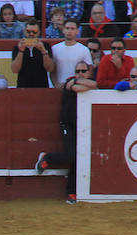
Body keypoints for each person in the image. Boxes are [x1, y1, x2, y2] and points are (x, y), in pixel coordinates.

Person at [35, 60, 97, 204]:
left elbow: (94, 85)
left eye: (83, 71)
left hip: (85, 126)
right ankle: (47, 158)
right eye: (77, 71)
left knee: (79, 158)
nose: (80, 74)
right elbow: (78, 89)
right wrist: (79, 82)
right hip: (68, 125)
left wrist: (83, 83)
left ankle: (72, 193)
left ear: (89, 72)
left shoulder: (83, 82)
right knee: (72, 156)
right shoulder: (69, 82)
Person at [12, 19, 54, 88]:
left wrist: (43, 51)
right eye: (28, 31)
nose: (31, 34)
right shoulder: (17, 47)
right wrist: (21, 51)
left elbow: (50, 69)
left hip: (41, 87)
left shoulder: (45, 46)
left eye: (34, 32)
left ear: (39, 32)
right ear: (24, 32)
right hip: (23, 87)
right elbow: (14, 70)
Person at [51, 19, 91, 86]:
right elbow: (52, 70)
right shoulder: (55, 48)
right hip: (59, 87)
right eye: (67, 28)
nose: (69, 31)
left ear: (77, 31)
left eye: (72, 29)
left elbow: (89, 71)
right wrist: (56, 85)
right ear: (63, 30)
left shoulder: (84, 50)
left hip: (77, 87)